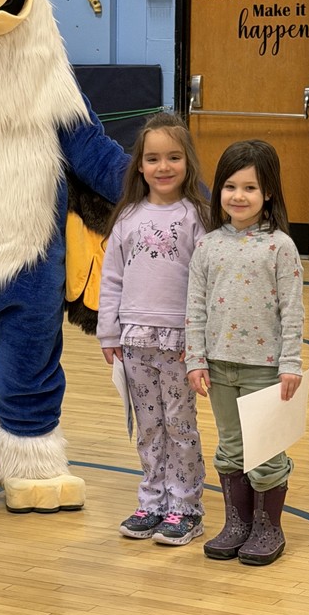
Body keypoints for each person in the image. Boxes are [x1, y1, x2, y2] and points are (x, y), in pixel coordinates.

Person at [185, 139, 304, 567]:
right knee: (232, 449)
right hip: (218, 366)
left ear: (268, 192)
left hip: (266, 370)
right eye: (230, 186)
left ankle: (268, 527)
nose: (239, 196)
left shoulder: (281, 247)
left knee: (266, 450)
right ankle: (237, 524)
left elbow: (293, 312)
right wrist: (195, 359)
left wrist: (290, 364)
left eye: (250, 187)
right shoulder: (208, 245)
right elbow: (194, 308)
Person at [97, 112, 210, 545]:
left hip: (179, 342)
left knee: (180, 423)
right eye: (153, 158)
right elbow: (112, 279)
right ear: (139, 165)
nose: (163, 167)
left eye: (174, 157)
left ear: (188, 162)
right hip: (134, 340)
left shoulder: (197, 216)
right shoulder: (127, 218)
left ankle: (185, 506)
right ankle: (153, 500)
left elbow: (203, 283)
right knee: (148, 425)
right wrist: (109, 332)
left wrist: (198, 342)